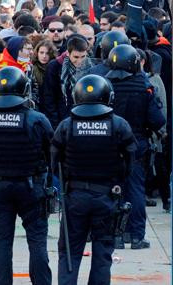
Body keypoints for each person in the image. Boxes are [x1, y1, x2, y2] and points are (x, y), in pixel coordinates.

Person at [51, 74, 137, 284]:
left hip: (75, 196)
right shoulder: (118, 125)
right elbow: (131, 159)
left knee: (70, 253)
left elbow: (54, 160)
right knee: (102, 254)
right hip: (106, 196)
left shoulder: (67, 125)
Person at [0, 67, 53, 285]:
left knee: (2, 241)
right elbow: (51, 152)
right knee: (37, 241)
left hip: (0, 187)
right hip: (32, 186)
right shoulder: (37, 120)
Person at [105, 45, 165, 249]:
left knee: (112, 191)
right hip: (136, 143)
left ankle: (116, 236)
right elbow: (157, 120)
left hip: (110, 143)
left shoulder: (104, 85)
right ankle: (137, 236)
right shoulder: (144, 86)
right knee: (136, 190)